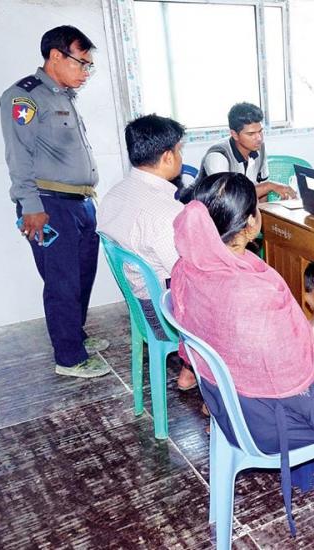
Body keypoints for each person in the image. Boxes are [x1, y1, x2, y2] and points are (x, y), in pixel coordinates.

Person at [171, 172, 314, 530]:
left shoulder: (190, 265)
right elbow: (297, 381)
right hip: (267, 421)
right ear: (249, 223)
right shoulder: (253, 291)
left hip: (227, 405)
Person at [0, 25, 109, 378]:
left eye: (89, 66)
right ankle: (69, 358)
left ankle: (74, 335)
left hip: (80, 203)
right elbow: (19, 156)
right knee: (62, 282)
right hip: (48, 206)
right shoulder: (25, 97)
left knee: (82, 275)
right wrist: (31, 206)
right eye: (81, 63)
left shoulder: (63, 96)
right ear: (56, 56)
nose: (86, 72)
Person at [98, 114, 196, 391]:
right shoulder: (164, 212)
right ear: (167, 156)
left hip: (139, 304)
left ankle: (190, 368)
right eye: (179, 150)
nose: (180, 156)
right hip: (161, 316)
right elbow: (189, 271)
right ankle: (208, 382)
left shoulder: (114, 194)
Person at [194, 102, 295, 201]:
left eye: (260, 131)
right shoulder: (218, 156)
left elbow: (262, 192)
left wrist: (264, 209)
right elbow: (228, 197)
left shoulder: (259, 148)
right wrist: (268, 186)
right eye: (251, 134)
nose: (259, 138)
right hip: (200, 209)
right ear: (234, 135)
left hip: (238, 209)